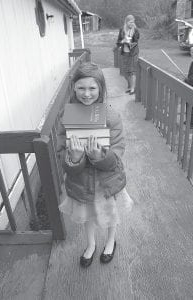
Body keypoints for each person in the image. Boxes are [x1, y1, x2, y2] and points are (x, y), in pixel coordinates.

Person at [58, 62, 128, 268]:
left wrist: (100, 156)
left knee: (110, 213)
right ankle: (90, 244)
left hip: (106, 181)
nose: (86, 93)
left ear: (101, 89)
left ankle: (110, 241)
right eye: (81, 88)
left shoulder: (111, 115)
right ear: (73, 88)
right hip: (80, 181)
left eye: (92, 88)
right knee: (86, 214)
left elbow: (118, 149)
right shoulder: (67, 116)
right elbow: (62, 150)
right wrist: (75, 156)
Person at [117, 15, 140, 95]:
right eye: (130, 22)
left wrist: (129, 43)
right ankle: (130, 87)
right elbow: (118, 41)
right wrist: (122, 42)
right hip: (125, 53)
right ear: (126, 22)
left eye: (133, 22)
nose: (132, 24)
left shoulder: (136, 30)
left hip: (133, 53)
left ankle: (133, 89)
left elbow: (136, 42)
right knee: (126, 71)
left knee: (132, 71)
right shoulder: (122, 30)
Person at [184, 46, 193, 129]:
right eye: (191, 52)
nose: (191, 54)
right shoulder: (192, 63)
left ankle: (191, 122)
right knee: (188, 103)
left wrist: (187, 80)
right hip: (190, 87)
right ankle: (188, 119)